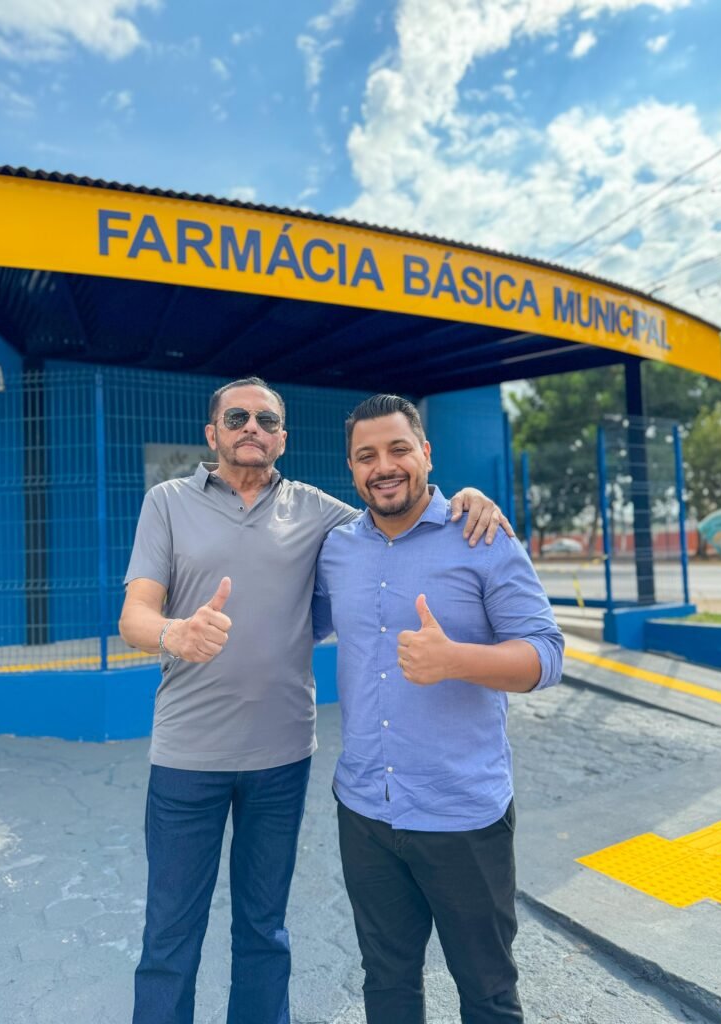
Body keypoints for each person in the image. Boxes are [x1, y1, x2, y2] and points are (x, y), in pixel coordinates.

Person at [118, 376, 512, 1024]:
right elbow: (135, 613)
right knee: (168, 939)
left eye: (267, 420)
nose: (253, 428)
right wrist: (174, 633)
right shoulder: (167, 502)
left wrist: (467, 500)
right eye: (238, 417)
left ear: (283, 438)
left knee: (265, 931)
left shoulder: (321, 515)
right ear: (212, 433)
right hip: (187, 758)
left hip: (281, 759)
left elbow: (399, 513)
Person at [312, 393, 565, 1024]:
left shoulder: (481, 535)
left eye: (399, 448)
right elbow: (298, 622)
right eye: (366, 456)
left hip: (462, 816)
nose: (384, 466)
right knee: (388, 983)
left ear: (426, 452)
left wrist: (456, 660)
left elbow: (547, 655)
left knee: (487, 993)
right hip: (366, 809)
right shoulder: (338, 550)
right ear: (352, 470)